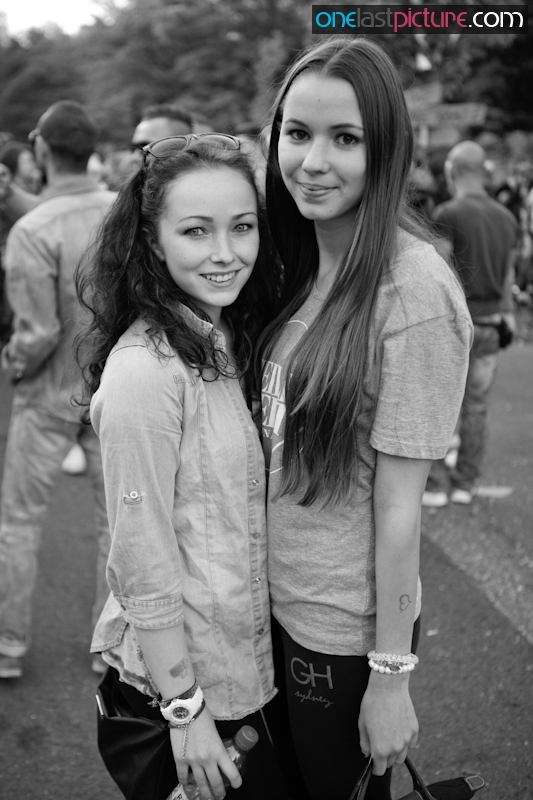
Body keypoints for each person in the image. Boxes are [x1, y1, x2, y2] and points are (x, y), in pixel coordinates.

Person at [258, 37, 473, 800]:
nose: (312, 162)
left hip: (339, 633)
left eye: (344, 139)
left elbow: (398, 507)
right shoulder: (295, 260)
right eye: (297, 133)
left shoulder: (414, 291)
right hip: (268, 605)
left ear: (386, 151)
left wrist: (389, 677)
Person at [76, 133, 292, 800]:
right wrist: (185, 711)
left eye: (242, 227)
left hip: (246, 666)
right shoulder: (145, 372)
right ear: (153, 240)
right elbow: (141, 561)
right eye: (196, 231)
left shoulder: (226, 334)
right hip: (190, 689)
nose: (226, 252)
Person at [0, 101, 116, 680]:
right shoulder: (124, 212)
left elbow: (38, 331)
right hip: (110, 388)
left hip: (49, 391)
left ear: (42, 149)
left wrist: (13, 362)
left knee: (19, 521)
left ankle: (8, 645)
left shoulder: (33, 230)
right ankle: (107, 646)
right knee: (115, 525)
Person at [422, 141, 519, 508]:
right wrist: (508, 314)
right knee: (476, 408)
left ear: (452, 170)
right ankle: (465, 483)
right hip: (492, 323)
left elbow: (439, 272)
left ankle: (434, 486)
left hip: (454, 324)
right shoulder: (507, 218)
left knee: (437, 402)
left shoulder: (448, 212)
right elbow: (508, 275)